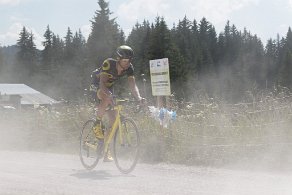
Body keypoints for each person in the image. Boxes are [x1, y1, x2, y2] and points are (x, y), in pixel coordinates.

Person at [92, 45, 144, 162]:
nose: (126, 63)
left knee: (114, 120)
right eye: (124, 60)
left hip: (110, 87)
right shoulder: (108, 63)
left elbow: (133, 85)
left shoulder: (129, 68)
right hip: (97, 84)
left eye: (129, 61)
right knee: (106, 98)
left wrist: (139, 98)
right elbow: (102, 84)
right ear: (118, 59)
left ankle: (106, 150)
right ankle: (97, 123)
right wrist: (109, 95)